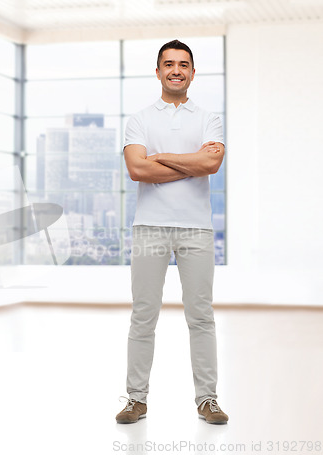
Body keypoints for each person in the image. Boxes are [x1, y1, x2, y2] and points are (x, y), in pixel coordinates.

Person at [116, 39, 228, 425]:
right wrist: (190, 162)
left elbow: (211, 165)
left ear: (193, 72)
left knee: (201, 316)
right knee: (143, 316)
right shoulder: (140, 118)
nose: (176, 70)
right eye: (169, 64)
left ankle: (208, 400)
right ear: (159, 71)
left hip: (196, 229)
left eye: (183, 64)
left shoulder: (209, 119)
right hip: (149, 227)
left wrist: (160, 156)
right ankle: (136, 399)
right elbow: (137, 170)